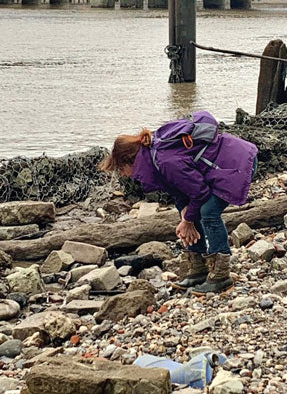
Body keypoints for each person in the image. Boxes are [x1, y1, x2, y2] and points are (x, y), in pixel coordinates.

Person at [99, 111, 258, 295]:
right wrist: (185, 214)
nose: (123, 174)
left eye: (121, 169)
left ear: (130, 160)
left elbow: (200, 192)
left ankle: (221, 275)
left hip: (237, 163)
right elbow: (180, 189)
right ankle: (199, 268)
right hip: (220, 166)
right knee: (187, 213)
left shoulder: (164, 161)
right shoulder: (153, 157)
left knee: (208, 212)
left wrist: (189, 220)